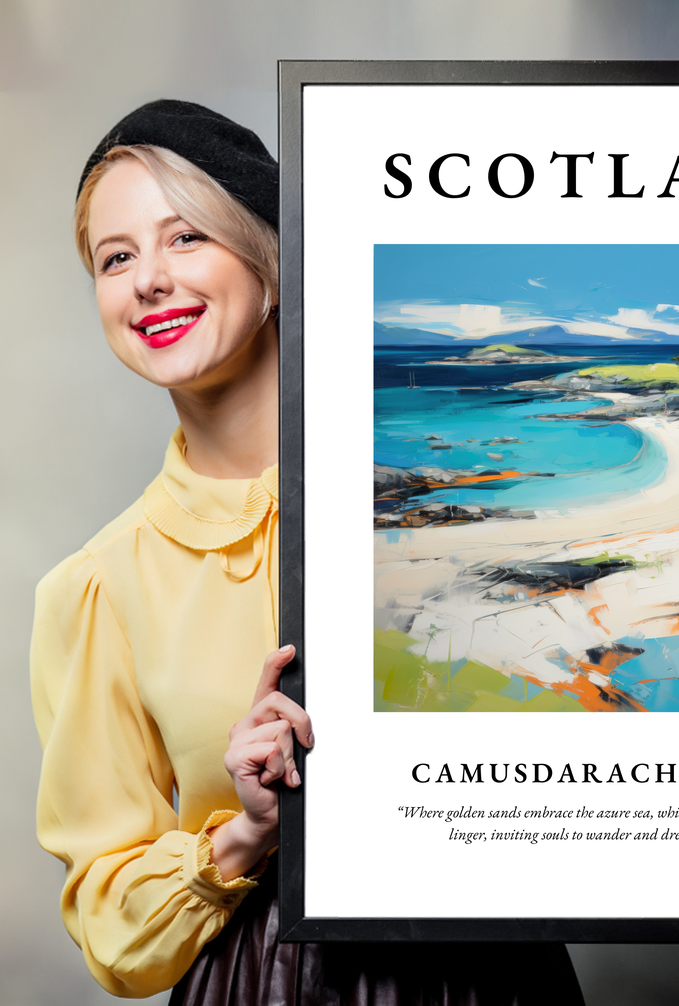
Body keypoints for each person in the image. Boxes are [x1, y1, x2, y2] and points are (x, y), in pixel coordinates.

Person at [30, 100, 586, 1004]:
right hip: (263, 982)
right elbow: (110, 924)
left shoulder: (439, 502)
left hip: (493, 973)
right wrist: (245, 832)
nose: (148, 281)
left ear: (273, 263)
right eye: (116, 257)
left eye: (185, 239)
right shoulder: (97, 587)